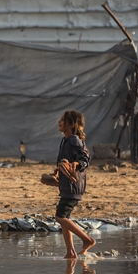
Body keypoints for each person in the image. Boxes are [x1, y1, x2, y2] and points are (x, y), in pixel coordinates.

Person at [42, 109, 96, 259]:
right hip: (68, 186)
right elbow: (66, 162)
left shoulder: (73, 140)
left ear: (71, 124)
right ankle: (70, 252)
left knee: (60, 217)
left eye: (62, 120)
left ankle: (87, 240)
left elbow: (84, 159)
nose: (59, 122)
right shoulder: (66, 140)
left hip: (73, 186)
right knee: (64, 218)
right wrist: (58, 171)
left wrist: (76, 165)